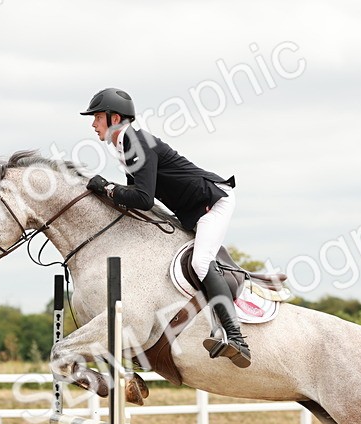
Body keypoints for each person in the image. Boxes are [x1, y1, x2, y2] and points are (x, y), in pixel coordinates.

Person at [80, 87, 250, 368]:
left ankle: (236, 337)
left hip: (212, 202)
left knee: (200, 262)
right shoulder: (125, 146)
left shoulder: (137, 142)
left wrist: (108, 188)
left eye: (97, 117)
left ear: (114, 118)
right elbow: (135, 195)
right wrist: (107, 193)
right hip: (191, 209)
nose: (93, 124)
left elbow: (143, 199)